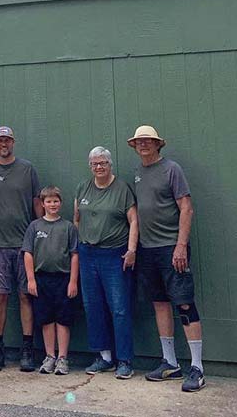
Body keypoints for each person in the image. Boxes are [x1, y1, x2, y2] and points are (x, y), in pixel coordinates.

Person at [129, 125, 205, 392]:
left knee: (184, 304)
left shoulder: (172, 169)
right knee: (160, 304)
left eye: (148, 141)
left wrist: (181, 245)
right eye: (139, 141)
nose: (143, 144)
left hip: (172, 248)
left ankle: (197, 367)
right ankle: (170, 363)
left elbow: (186, 207)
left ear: (157, 144)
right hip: (147, 250)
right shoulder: (137, 173)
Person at [74, 146, 139, 379]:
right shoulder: (83, 187)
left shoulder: (122, 189)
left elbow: (134, 221)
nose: (99, 167)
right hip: (87, 254)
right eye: (95, 164)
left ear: (110, 164)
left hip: (115, 255)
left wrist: (131, 250)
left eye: (103, 163)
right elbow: (77, 219)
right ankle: (104, 357)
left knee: (119, 308)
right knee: (93, 306)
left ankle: (125, 360)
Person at [0, 126, 43, 372]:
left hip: (24, 246)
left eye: (7, 140)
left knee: (25, 296)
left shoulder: (27, 169)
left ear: (13, 142)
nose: (3, 144)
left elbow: (37, 203)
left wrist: (41, 234)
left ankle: (27, 350)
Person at [23, 186, 79, 375]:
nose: (52, 204)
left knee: (62, 319)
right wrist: (31, 280)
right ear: (42, 204)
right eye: (48, 201)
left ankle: (62, 358)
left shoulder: (68, 227)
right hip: (42, 279)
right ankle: (50, 356)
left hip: (63, 279)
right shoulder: (35, 226)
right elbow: (28, 253)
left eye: (55, 201)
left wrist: (73, 281)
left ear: (60, 203)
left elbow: (74, 255)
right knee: (46, 319)